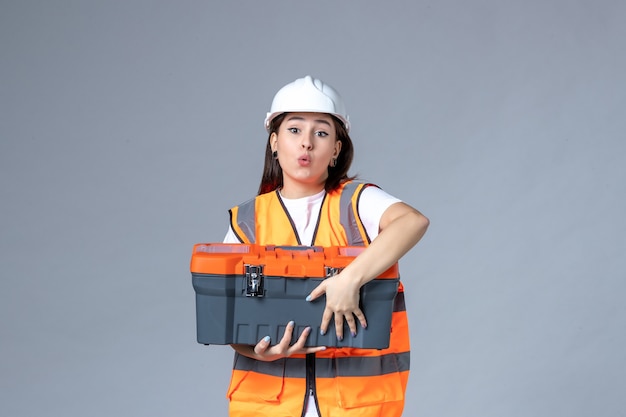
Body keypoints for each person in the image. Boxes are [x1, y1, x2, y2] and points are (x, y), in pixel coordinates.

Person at [222, 75, 429, 417]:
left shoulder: (358, 201)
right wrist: (259, 352)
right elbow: (229, 316)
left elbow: (412, 222)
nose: (306, 143)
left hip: (357, 404)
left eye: (321, 132)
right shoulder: (248, 220)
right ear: (274, 142)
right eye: (294, 130)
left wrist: (350, 280)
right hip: (269, 405)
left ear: (336, 148)